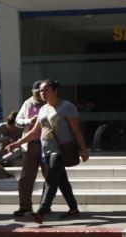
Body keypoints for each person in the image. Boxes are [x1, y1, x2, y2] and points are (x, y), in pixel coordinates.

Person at [6, 79, 89, 223]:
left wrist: (83, 149)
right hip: (48, 150)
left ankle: (41, 212)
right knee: (62, 181)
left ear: (55, 91)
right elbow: (34, 132)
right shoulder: (43, 109)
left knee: (51, 179)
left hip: (62, 149)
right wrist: (17, 144)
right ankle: (73, 208)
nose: (42, 93)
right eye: (41, 91)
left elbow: (76, 130)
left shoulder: (66, 107)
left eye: (46, 90)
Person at [13, 80, 46, 217]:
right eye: (36, 93)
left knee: (49, 177)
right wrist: (28, 121)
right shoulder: (28, 103)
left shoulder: (49, 104)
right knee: (26, 177)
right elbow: (17, 120)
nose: (39, 96)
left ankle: (45, 206)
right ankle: (25, 206)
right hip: (31, 144)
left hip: (47, 145)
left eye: (41, 93)